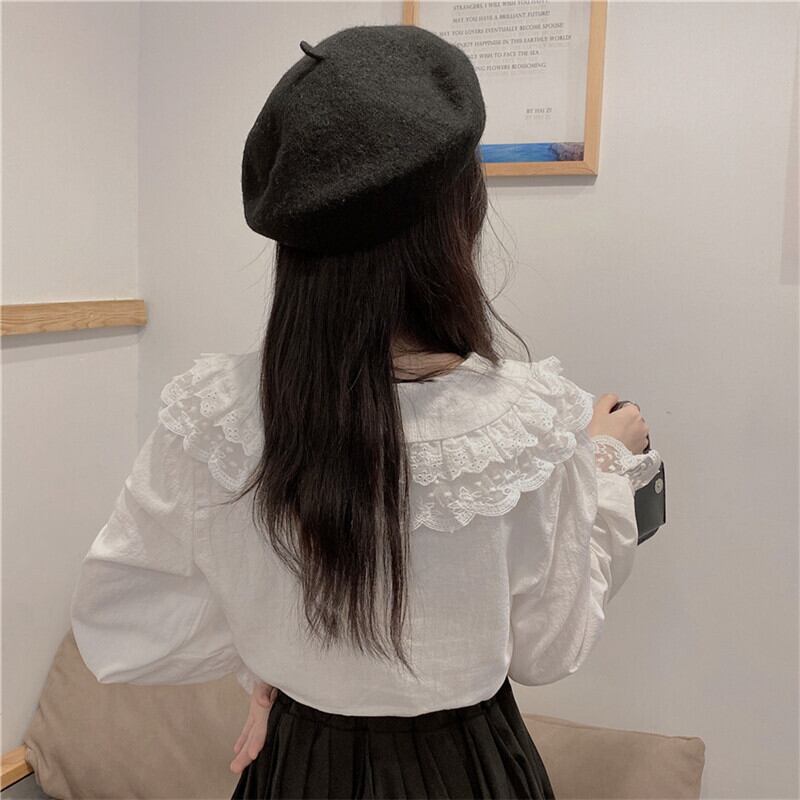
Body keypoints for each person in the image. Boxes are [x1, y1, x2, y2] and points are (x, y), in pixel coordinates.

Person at [69, 22, 663, 800]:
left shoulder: (213, 420)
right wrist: (608, 464)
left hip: (297, 765)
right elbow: (548, 649)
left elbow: (121, 619)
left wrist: (274, 655)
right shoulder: (530, 424)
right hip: (468, 770)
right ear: (458, 217)